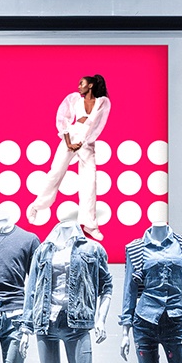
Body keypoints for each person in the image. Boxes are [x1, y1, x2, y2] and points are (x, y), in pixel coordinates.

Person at [27, 74, 111, 241]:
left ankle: (90, 225)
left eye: (82, 83)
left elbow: (97, 126)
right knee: (55, 173)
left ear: (91, 85)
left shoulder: (102, 102)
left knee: (90, 182)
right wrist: (69, 143)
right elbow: (64, 120)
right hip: (71, 138)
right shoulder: (74, 100)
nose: (79, 86)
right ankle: (36, 206)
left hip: (87, 143)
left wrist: (83, 142)